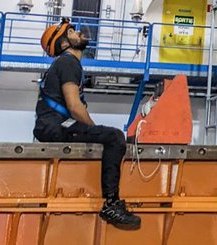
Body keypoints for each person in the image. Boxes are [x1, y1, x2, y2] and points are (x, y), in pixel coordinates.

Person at [34, 20, 141, 230]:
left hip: (53, 125)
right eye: (72, 32)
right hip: (56, 127)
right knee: (115, 137)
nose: (80, 32)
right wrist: (92, 129)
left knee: (110, 136)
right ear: (64, 44)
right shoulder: (68, 63)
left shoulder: (66, 63)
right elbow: (74, 106)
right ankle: (111, 204)